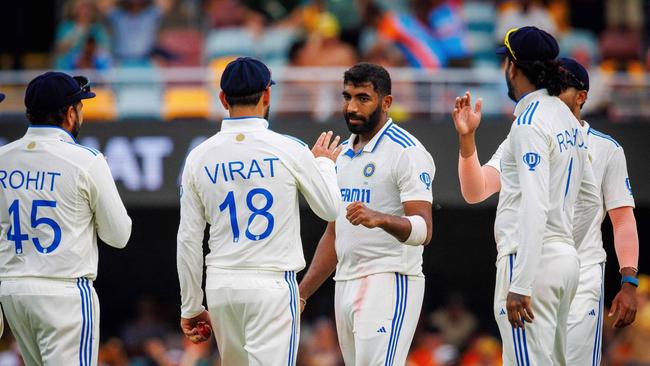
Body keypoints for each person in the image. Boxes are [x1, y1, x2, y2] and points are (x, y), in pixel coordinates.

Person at [176, 57, 342, 365]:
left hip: (221, 285)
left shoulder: (199, 156)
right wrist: (324, 164)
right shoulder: (290, 148)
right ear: (267, 95)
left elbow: (188, 239)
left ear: (223, 98)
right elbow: (330, 208)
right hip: (273, 285)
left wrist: (191, 305)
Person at [451, 27, 599, 364]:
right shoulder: (566, 120)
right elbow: (476, 191)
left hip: (529, 262)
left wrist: (523, 280)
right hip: (564, 263)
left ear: (513, 68)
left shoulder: (528, 124)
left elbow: (535, 204)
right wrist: (467, 140)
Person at [299, 63, 436, 365]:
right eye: (347, 97)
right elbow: (333, 234)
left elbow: (424, 230)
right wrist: (301, 294)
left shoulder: (406, 152)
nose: (351, 107)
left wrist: (381, 218)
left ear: (386, 102)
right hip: (345, 282)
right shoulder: (343, 155)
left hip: (389, 279)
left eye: (362, 98)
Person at [0, 71, 132, 365]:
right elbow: (119, 235)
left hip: (13, 289)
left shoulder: (3, 157)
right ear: (70, 113)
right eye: (80, 106)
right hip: (64, 290)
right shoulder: (86, 159)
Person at [556, 57, 640, 365]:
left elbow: (622, 220)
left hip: (584, 272)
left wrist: (629, 281)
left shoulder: (606, 149)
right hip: (535, 275)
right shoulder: (527, 141)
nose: (552, 94)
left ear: (581, 97)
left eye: (560, 87)